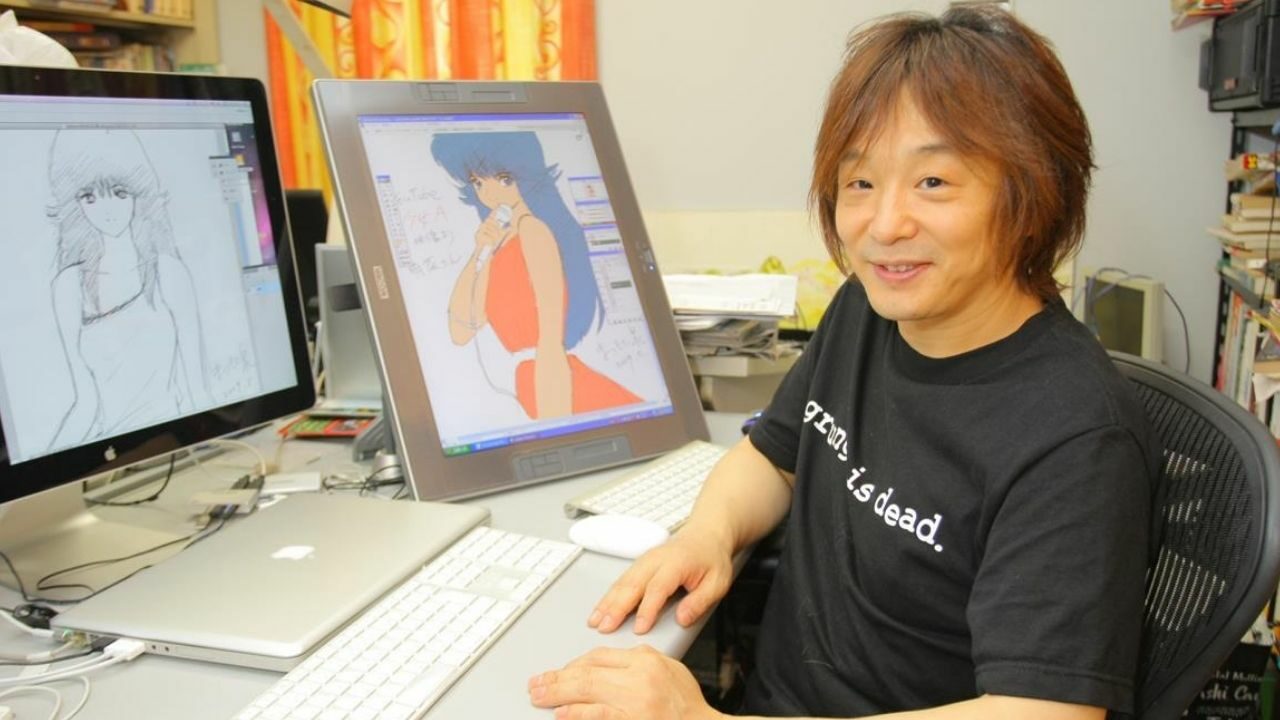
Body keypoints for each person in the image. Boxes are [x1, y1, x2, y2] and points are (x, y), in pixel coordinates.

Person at [527, 6, 1160, 720]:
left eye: (933, 182)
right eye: (859, 183)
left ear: (1030, 195)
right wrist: (708, 534)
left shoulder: (1075, 437)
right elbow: (775, 456)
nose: (883, 225)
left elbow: (1043, 712)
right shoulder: (869, 308)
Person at [433, 131, 641, 420]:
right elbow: (461, 330)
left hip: (558, 386)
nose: (489, 193)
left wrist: (557, 426)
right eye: (478, 182)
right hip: (536, 381)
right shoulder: (499, 242)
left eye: (503, 178)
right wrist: (481, 250)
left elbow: (550, 339)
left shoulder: (533, 232)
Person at [47, 128, 211, 448]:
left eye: (119, 192)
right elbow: (85, 402)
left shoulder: (168, 272)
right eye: (89, 197)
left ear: (139, 192)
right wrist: (38, 467)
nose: (107, 209)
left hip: (175, 441)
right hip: (110, 448)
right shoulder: (68, 285)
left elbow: (199, 392)